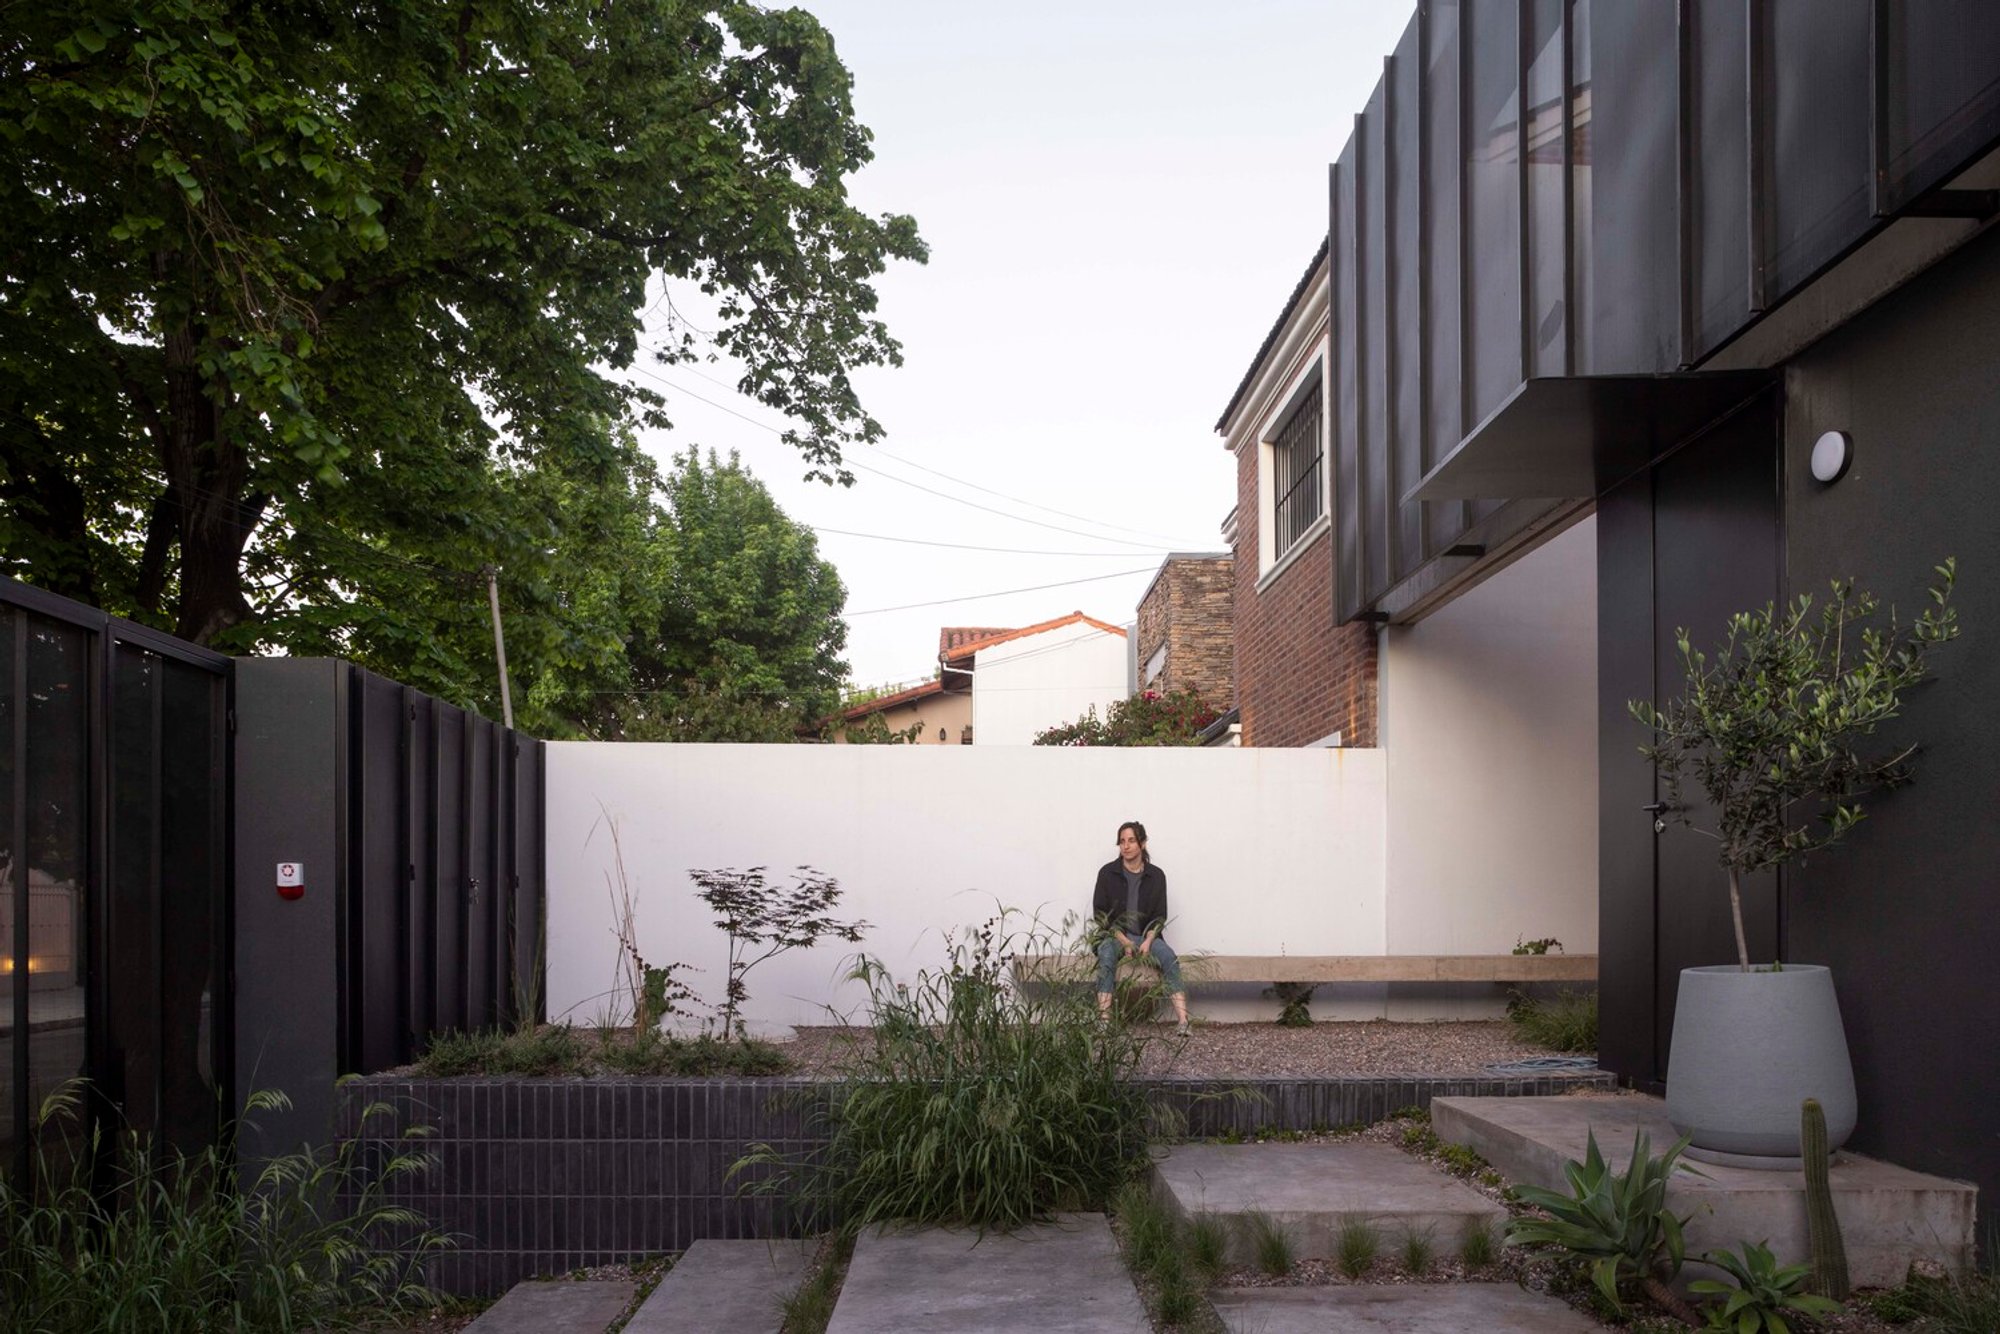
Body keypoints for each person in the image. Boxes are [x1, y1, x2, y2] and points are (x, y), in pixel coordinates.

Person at [1091, 820, 1191, 1035]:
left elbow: (1159, 915)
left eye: (1131, 841)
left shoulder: (1156, 876)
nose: (1125, 846)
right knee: (1107, 956)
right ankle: (1103, 1021)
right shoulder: (1107, 873)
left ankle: (1183, 1021)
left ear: (1142, 844)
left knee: (1169, 958)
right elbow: (1101, 914)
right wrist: (1123, 940)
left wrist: (1148, 940)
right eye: (1121, 842)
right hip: (1115, 937)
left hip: (1147, 937)